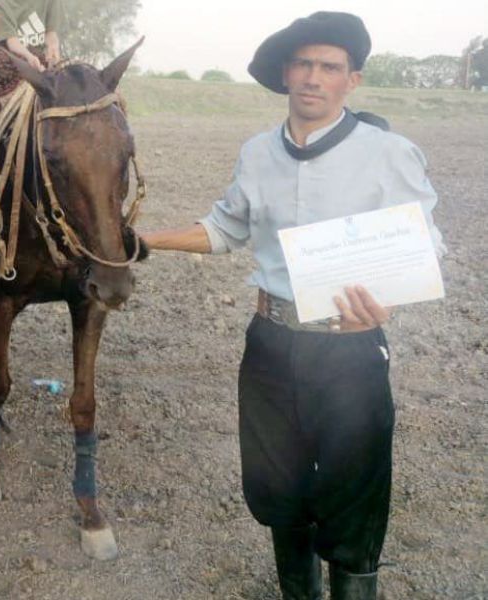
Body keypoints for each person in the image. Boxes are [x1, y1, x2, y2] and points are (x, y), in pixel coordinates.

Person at [142, 12, 445, 600]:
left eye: (329, 67)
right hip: (271, 343)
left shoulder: (388, 152)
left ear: (351, 80)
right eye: (303, 64)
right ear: (286, 74)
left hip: (349, 348)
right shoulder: (258, 153)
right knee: (278, 489)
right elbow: (226, 227)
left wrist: (383, 303)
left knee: (353, 493)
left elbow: (423, 243)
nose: (313, 77)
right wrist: (145, 240)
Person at [0, 0, 63, 70]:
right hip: (13, 63)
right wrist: (30, 57)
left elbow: (51, 33)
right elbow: (12, 41)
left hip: (42, 59)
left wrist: (53, 47)